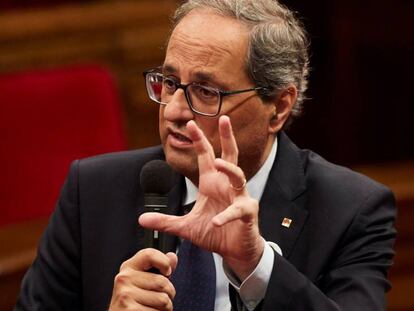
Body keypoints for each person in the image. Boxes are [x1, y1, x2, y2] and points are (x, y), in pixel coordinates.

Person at [15, 0, 396, 310]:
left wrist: (255, 265)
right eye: (168, 82)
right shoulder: (93, 191)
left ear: (278, 107)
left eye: (206, 92)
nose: (174, 110)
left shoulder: (352, 209)